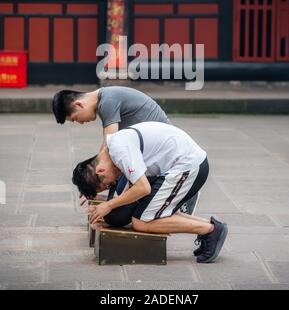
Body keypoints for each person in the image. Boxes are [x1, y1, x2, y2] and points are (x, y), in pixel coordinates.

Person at [72, 121, 228, 264]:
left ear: (100, 170)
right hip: (183, 165)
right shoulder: (115, 147)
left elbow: (143, 188)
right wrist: (109, 212)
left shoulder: (120, 151)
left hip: (188, 167)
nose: (112, 184)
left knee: (142, 222)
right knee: (146, 213)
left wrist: (108, 205)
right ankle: (210, 227)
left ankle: (210, 230)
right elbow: (131, 194)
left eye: (107, 184)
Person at [52, 86, 198, 215]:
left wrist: (90, 181)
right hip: (145, 149)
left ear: (78, 104)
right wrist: (92, 184)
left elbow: (108, 149)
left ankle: (185, 195)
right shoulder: (105, 98)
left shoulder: (107, 101)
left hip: (165, 153)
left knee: (126, 194)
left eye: (76, 118)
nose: (81, 123)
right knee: (123, 191)